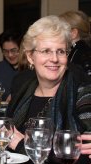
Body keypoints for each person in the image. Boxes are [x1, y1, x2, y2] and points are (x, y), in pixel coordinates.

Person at [5, 15, 91, 155]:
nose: (55, 59)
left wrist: (25, 144)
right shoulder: (22, 88)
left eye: (61, 51)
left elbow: (84, 152)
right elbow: (8, 134)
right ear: (30, 57)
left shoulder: (83, 93)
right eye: (46, 51)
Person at [59, 10, 91, 76]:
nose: (56, 34)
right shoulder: (74, 52)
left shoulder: (82, 56)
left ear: (73, 33)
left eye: (60, 30)